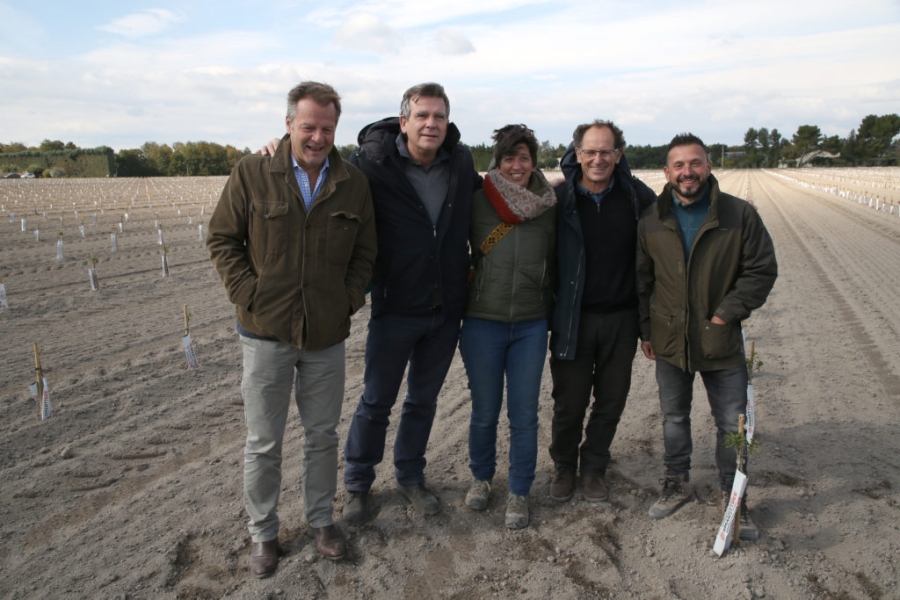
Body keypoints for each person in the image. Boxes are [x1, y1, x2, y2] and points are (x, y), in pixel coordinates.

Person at [207, 81, 376, 578]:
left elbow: (366, 252)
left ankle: (322, 520)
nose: (318, 137)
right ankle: (264, 533)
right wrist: (250, 295)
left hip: (326, 334)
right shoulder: (253, 172)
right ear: (288, 126)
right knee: (264, 441)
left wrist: (349, 298)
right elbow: (222, 239)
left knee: (322, 435)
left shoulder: (352, 183)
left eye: (326, 128)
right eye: (308, 127)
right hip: (265, 333)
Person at [342, 83, 477, 523]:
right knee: (376, 400)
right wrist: (277, 150)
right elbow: (322, 176)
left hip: (445, 309)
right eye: (422, 115)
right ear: (404, 121)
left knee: (423, 401)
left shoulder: (460, 162)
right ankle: (358, 484)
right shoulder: (371, 165)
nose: (431, 123)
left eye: (439, 116)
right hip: (395, 305)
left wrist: (548, 186)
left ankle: (410, 476)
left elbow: (494, 195)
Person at [636, 133, 776, 537]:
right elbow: (642, 281)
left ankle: (735, 497)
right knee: (674, 417)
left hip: (720, 340)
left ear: (709, 166)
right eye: (678, 165)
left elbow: (761, 269)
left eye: (695, 163)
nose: (687, 172)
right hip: (669, 341)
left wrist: (724, 315)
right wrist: (647, 330)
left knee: (732, 425)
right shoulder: (651, 218)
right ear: (666, 172)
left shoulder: (738, 215)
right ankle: (676, 481)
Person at [548, 120, 656, 503]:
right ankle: (563, 465)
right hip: (573, 320)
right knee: (569, 402)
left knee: (611, 401)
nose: (598, 159)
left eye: (606, 151)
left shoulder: (635, 197)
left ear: (618, 155)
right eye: (590, 152)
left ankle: (594, 467)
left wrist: (648, 325)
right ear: (577, 154)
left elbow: (659, 252)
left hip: (621, 321)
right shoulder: (559, 200)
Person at [460, 124, 557, 529]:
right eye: (508, 158)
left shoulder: (551, 203)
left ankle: (519, 489)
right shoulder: (476, 200)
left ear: (534, 162)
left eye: (524, 158)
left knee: (525, 414)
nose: (516, 166)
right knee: (484, 412)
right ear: (496, 163)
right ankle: (482, 478)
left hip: (532, 325)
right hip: (483, 321)